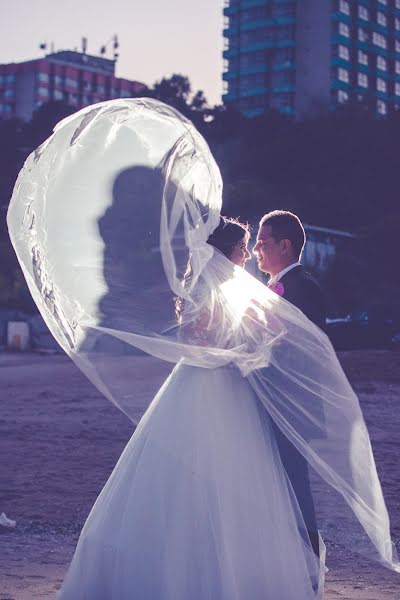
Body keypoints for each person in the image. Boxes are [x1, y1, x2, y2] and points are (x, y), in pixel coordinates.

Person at [57, 217, 322, 600]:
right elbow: (198, 340)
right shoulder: (208, 291)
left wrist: (247, 349)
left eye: (253, 244)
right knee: (200, 472)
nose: (247, 253)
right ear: (226, 252)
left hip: (233, 390)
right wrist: (238, 352)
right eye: (243, 247)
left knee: (238, 477)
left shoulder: (235, 289)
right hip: (208, 385)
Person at [253, 210, 326, 560]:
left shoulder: (302, 288)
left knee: (295, 485)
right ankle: (282, 558)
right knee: (276, 485)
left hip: (291, 405)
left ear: (285, 245)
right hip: (274, 402)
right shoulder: (279, 287)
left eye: (263, 242)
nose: (256, 249)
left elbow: (298, 351)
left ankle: (308, 561)